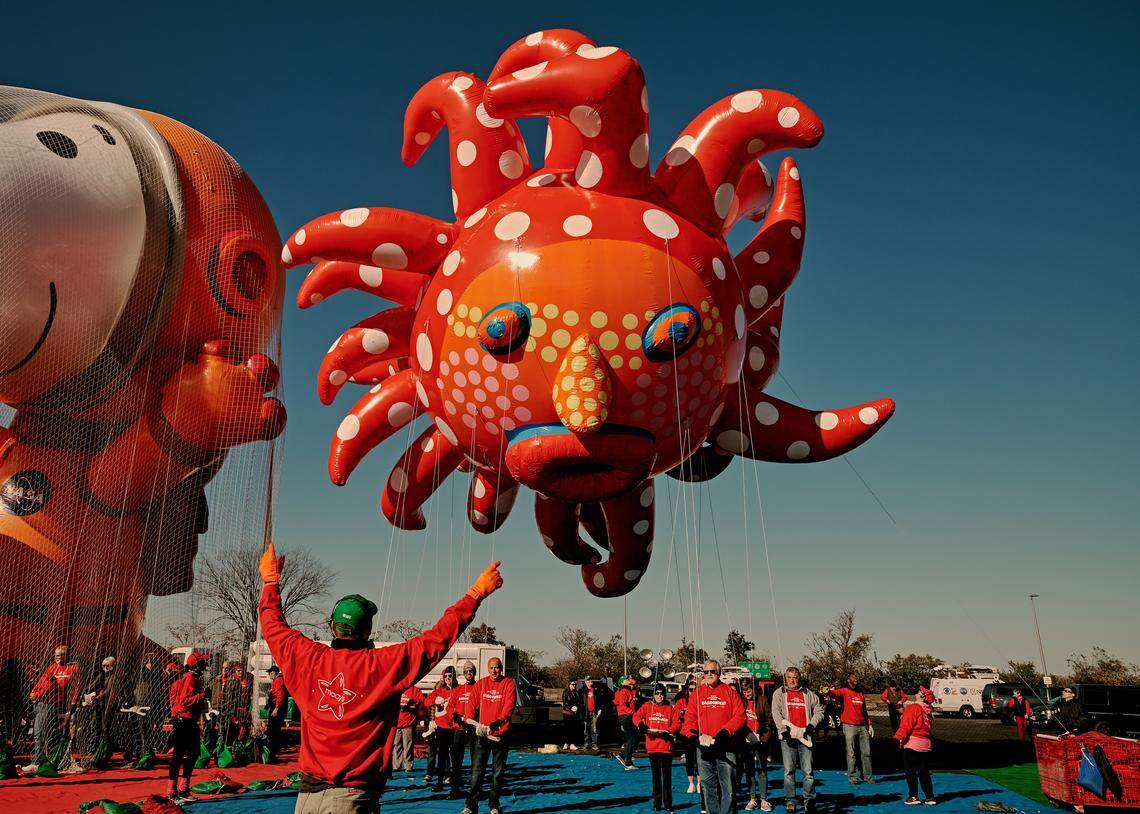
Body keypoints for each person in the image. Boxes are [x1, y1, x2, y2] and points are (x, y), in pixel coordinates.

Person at [259, 543, 502, 814]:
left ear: (332, 627)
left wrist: (270, 582)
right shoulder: (382, 666)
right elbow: (436, 639)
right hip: (354, 794)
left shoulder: (306, 658)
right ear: (367, 632)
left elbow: (272, 624)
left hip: (307, 797)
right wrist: (475, 594)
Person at [683, 660, 745, 814]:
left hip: (725, 746)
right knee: (707, 787)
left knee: (728, 789)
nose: (709, 674)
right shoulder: (697, 693)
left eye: (712, 671)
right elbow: (690, 716)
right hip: (703, 747)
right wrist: (691, 736)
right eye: (706, 672)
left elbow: (740, 715)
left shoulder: (730, 692)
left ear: (720, 672)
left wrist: (725, 731)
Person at [462, 656, 516, 814]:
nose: (494, 670)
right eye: (491, 667)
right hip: (483, 735)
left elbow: (509, 706)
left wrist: (497, 723)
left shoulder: (508, 683)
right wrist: (471, 722)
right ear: (487, 669)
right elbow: (471, 704)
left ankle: (494, 804)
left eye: (497, 667)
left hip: (500, 735)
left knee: (497, 772)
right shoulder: (481, 683)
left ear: (501, 668)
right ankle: (471, 805)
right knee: (477, 772)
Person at [772, 667, 823, 814]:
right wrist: (783, 731)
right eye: (789, 677)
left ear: (799, 678)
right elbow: (776, 713)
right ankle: (790, 801)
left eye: (795, 677)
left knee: (808, 772)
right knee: (789, 771)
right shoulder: (779, 693)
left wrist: (811, 726)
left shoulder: (808, 693)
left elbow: (819, 710)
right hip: (788, 738)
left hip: (805, 738)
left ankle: (810, 801)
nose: (792, 680)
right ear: (785, 678)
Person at [23, 644, 82, 772]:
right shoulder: (51, 668)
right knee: (38, 734)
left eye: (61, 655)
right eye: (56, 655)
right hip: (44, 704)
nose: (58, 657)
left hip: (60, 705)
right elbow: (42, 682)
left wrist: (73, 703)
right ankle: (38, 761)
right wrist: (33, 693)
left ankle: (57, 760)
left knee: (53, 735)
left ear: (67, 655)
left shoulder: (73, 668)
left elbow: (76, 686)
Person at [167, 651, 209, 802]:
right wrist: (201, 697)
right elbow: (184, 700)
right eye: (203, 662)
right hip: (183, 720)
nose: (205, 665)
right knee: (179, 755)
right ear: (197, 665)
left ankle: (183, 788)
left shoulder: (192, 677)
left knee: (192, 754)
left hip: (187, 719)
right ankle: (172, 792)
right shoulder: (190, 678)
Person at [634, 683, 681, 812]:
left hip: (666, 746)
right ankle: (657, 802)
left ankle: (667, 803)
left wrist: (669, 730)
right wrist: (641, 725)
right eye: (657, 693)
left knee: (666, 776)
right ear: (653, 695)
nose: (659, 696)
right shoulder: (648, 706)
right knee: (655, 776)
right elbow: (636, 716)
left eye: (661, 693)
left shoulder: (670, 708)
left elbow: (677, 723)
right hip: (653, 746)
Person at [827, 673, 874, 784]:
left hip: (862, 726)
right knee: (851, 752)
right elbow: (833, 693)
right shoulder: (844, 691)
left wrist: (870, 725)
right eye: (853, 677)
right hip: (849, 726)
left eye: (857, 677)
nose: (856, 678)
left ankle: (868, 776)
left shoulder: (860, 694)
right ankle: (852, 777)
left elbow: (865, 711)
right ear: (848, 680)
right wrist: (828, 690)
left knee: (866, 752)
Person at [894, 688, 936, 805]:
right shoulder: (928, 711)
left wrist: (898, 737)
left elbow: (906, 724)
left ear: (922, 697)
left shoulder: (913, 708)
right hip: (925, 744)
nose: (916, 693)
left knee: (910, 771)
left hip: (912, 744)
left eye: (918, 692)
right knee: (924, 772)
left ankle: (913, 796)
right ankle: (930, 797)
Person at [739, 679, 774, 811]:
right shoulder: (741, 702)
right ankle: (752, 798)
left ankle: (764, 799)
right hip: (746, 740)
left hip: (761, 739)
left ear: (754, 689)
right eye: (744, 691)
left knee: (762, 769)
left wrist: (763, 737)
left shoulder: (763, 700)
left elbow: (769, 721)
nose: (747, 693)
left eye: (749, 690)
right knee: (749, 770)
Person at [79, 655, 120, 767]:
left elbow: (108, 691)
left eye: (108, 666)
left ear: (113, 666)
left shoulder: (114, 677)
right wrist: (85, 693)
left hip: (108, 706)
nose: (105, 668)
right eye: (103, 666)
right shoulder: (103, 676)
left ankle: (104, 753)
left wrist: (96, 698)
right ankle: (97, 750)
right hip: (100, 705)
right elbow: (93, 686)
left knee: (105, 728)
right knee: (96, 726)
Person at [424, 666, 459, 792]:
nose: (448, 678)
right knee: (442, 755)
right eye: (446, 676)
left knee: (455, 756)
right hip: (442, 728)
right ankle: (439, 782)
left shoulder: (458, 689)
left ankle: (453, 781)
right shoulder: (440, 690)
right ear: (443, 677)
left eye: (451, 675)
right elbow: (426, 702)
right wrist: (435, 700)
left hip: (455, 728)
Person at [447, 661, 478, 795]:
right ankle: (455, 788)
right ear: (464, 674)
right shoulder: (458, 689)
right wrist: (453, 715)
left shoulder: (479, 687)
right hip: (459, 728)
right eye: (466, 672)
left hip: (473, 729)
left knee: (475, 759)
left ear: (474, 672)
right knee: (456, 760)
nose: (468, 674)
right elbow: (449, 707)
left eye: (471, 671)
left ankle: (475, 788)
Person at [674, 680, 700, 796]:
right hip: (686, 733)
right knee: (689, 758)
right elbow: (675, 715)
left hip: (699, 733)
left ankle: (699, 782)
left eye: (695, 689)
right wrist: (682, 713)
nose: (693, 692)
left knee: (699, 758)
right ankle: (691, 783)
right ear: (687, 690)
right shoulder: (681, 701)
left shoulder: (700, 701)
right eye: (690, 690)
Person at [393, 682, 424, 775]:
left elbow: (421, 703)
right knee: (396, 745)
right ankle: (396, 766)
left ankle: (408, 766)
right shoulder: (397, 688)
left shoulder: (415, 690)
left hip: (409, 723)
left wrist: (411, 705)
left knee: (408, 746)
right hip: (396, 723)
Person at [614, 674, 638, 769]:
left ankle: (626, 759)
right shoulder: (624, 691)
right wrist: (632, 712)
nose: (629, 680)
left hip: (627, 716)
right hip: (626, 716)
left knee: (634, 738)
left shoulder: (627, 690)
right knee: (632, 738)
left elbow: (635, 684)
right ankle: (624, 757)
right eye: (626, 679)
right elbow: (622, 705)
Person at [266, 665, 290, 758]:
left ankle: (273, 748)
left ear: (274, 673)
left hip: (278, 707)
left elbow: (280, 695)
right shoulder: (277, 681)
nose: (269, 675)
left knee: (273, 728)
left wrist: (276, 708)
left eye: (270, 673)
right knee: (273, 728)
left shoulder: (278, 681)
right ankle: (274, 747)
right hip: (277, 706)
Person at [561, 680, 582, 751]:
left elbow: (579, 702)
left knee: (574, 729)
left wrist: (577, 707)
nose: (574, 686)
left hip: (574, 714)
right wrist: (571, 708)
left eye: (575, 684)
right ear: (569, 685)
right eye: (573, 684)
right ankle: (566, 743)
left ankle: (572, 744)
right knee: (567, 729)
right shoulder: (565, 692)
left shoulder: (576, 693)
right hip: (567, 713)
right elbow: (565, 702)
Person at [582, 677, 601, 750]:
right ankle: (586, 743)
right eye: (589, 680)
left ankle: (594, 744)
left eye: (591, 680)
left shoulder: (596, 691)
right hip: (586, 712)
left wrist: (599, 709)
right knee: (586, 729)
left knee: (594, 729)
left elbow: (598, 701)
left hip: (593, 712)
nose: (591, 681)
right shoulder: (582, 691)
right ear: (586, 682)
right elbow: (581, 703)